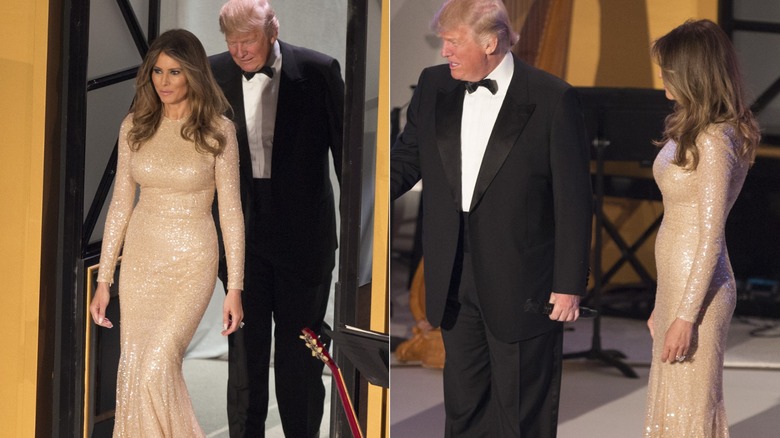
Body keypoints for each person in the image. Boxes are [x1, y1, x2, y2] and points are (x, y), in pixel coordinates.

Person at [390, 0, 593, 436]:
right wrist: (359, 191)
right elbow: (407, 158)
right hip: (453, 272)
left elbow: (573, 200)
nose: (444, 52)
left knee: (521, 413)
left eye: (452, 41)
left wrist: (569, 283)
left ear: (490, 41)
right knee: (463, 408)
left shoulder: (551, 98)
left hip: (524, 278)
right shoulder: (433, 85)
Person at [88, 28, 245, 436]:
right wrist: (105, 279)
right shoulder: (135, 126)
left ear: (193, 73)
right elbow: (120, 204)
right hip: (142, 260)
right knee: (137, 367)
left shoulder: (219, 131)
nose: (164, 81)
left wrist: (235, 287)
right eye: (157, 71)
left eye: (174, 71)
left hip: (192, 261)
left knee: (157, 365)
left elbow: (230, 212)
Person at [209, 1, 344, 436]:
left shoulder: (319, 71)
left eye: (247, 40)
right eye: (231, 42)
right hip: (240, 234)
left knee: (299, 358)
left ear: (272, 31)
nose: (239, 51)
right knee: (245, 361)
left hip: (304, 238)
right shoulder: (211, 74)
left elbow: (347, 157)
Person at [644, 19, 760, 437]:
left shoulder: (714, 139)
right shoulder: (692, 128)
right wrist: (665, 303)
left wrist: (687, 316)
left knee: (691, 410)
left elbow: (709, 235)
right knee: (672, 404)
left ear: (693, 73)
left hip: (702, 291)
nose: (662, 76)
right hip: (679, 284)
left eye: (668, 69)